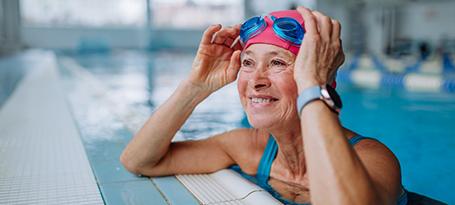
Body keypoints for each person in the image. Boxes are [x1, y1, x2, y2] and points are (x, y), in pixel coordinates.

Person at [120, 6, 407, 205]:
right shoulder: (249, 148)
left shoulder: (373, 158)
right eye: (248, 63)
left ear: (319, 77)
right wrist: (195, 87)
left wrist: (312, 85)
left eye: (278, 63)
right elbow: (139, 161)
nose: (256, 80)